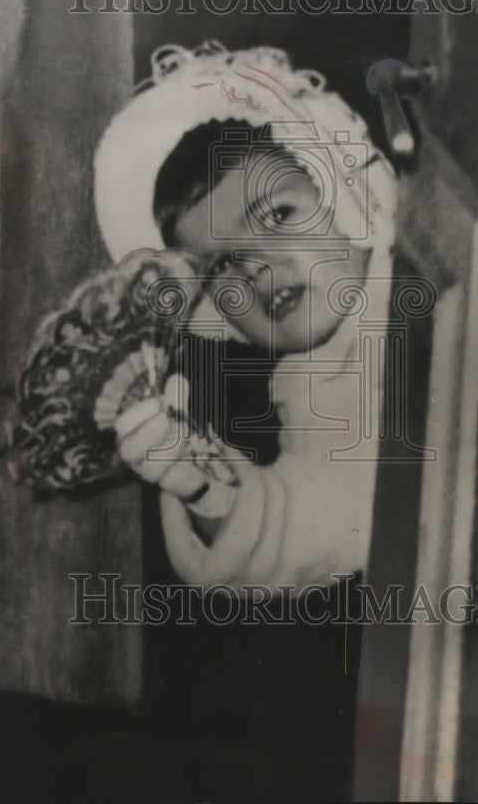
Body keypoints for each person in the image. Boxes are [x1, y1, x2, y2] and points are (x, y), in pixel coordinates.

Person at [93, 41, 397, 591]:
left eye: (278, 215)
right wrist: (205, 486)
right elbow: (324, 520)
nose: (257, 267)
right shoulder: (311, 387)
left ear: (346, 192)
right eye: (225, 265)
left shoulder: (426, 256)